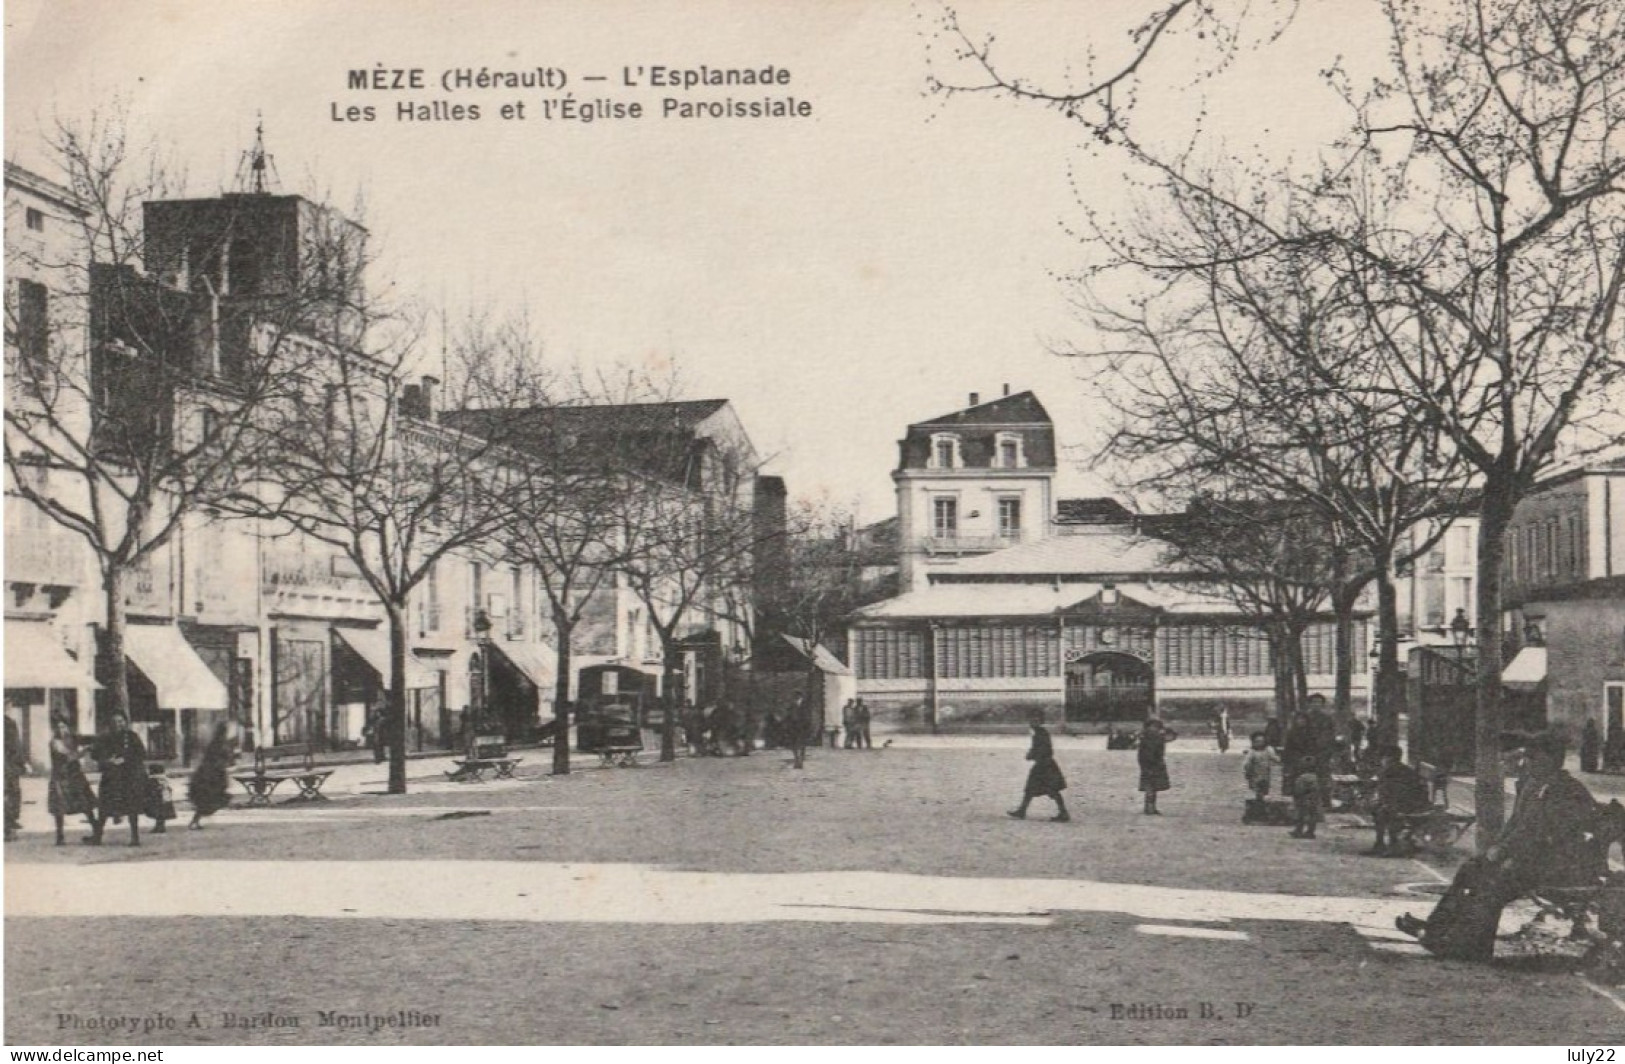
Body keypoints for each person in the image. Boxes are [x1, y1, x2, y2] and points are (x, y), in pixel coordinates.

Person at [1396, 731, 1606, 961]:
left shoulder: (1566, 790)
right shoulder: (1536, 785)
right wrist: (1495, 851)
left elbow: (1544, 836)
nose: (1528, 763)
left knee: (1493, 883)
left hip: (1560, 867)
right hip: (1537, 861)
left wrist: (1505, 855)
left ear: (1551, 760)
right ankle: (1437, 929)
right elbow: (1518, 825)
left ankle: (1473, 947)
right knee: (1471, 869)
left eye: (1534, 758)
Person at [86, 712, 147, 846]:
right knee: (104, 807)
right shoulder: (105, 738)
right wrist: (108, 760)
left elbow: (141, 753)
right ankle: (98, 836)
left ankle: (135, 837)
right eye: (114, 722)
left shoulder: (132, 737)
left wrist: (125, 759)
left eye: (120, 721)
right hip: (110, 776)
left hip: (128, 777)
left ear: (125, 722)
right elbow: (95, 754)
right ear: (110, 724)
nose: (118, 724)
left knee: (132, 807)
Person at [1366, 745, 1432, 856]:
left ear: (1389, 758)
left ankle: (1391, 845)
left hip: (1411, 804)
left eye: (1383, 758)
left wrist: (1383, 802)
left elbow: (1395, 792)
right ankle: (1381, 844)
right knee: (1379, 809)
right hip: (1408, 802)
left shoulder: (1391, 771)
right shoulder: (1399, 769)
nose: (1382, 760)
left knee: (1385, 811)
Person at [1008, 713, 1069, 822]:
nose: (1032, 723)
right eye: (1031, 720)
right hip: (1044, 765)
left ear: (1040, 722)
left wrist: (1032, 755)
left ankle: (1063, 813)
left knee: (1050, 790)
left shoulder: (1041, 733)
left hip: (1045, 765)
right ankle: (1022, 810)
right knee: (1032, 788)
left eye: (1035, 721)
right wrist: (1032, 754)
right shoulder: (1038, 733)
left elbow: (1045, 749)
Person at [46, 716, 96, 846]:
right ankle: (60, 836)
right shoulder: (55, 742)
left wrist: (97, 740)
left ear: (68, 727)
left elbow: (87, 739)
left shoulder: (72, 738)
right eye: (58, 727)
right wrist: (85, 751)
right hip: (61, 777)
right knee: (60, 807)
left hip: (75, 775)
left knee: (86, 804)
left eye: (63, 726)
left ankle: (97, 831)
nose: (61, 730)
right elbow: (68, 756)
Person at [188, 721, 235, 829]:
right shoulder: (220, 743)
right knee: (209, 798)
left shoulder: (216, 742)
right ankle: (195, 821)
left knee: (208, 799)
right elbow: (222, 758)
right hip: (212, 775)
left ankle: (196, 820)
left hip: (210, 773)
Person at [1138, 719, 1176, 815]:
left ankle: (1149, 807)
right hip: (1153, 764)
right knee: (1152, 787)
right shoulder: (1154, 738)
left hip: (1149, 764)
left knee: (1151, 787)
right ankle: (1150, 808)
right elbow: (1171, 737)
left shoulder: (1148, 736)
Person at [4, 712, 27, 841]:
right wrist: (20, 763)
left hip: (7, 765)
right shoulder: (8, 723)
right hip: (7, 766)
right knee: (10, 794)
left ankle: (8, 828)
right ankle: (8, 828)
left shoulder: (8, 723)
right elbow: (15, 746)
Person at [1288, 755, 1323, 839]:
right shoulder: (1315, 776)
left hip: (1304, 798)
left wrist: (1296, 796)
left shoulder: (1303, 777)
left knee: (1301, 815)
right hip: (1313, 798)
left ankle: (1298, 831)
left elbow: (1299, 789)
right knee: (1312, 815)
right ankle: (1310, 832)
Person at [1242, 732, 1279, 808]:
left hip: (1265, 775)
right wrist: (1247, 771)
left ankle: (1262, 805)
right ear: (1253, 742)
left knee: (1265, 789)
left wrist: (1279, 759)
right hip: (1254, 775)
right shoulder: (1252, 752)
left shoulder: (1268, 750)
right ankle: (1259, 804)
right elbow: (1246, 763)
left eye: (1262, 741)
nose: (1260, 743)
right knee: (1257, 790)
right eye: (1257, 741)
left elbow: (1275, 758)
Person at [144, 763, 176, 834]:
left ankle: (159, 827)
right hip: (165, 798)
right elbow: (169, 789)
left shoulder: (153, 779)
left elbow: (151, 789)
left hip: (157, 799)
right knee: (162, 814)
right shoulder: (164, 779)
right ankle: (161, 827)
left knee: (158, 814)